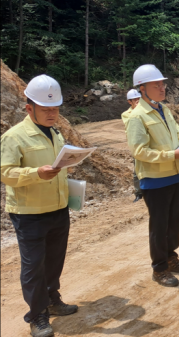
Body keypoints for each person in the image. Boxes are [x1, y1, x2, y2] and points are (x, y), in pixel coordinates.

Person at [0, 75, 78, 337]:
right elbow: (5, 173)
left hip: (58, 207)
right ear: (29, 108)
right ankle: (37, 316)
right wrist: (35, 174)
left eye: (55, 108)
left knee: (54, 260)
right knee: (34, 266)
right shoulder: (14, 137)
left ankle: (52, 299)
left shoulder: (55, 133)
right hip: (29, 213)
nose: (52, 114)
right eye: (46, 109)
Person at [125, 64, 179, 287]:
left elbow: (177, 133)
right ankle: (159, 268)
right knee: (159, 226)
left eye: (162, 84)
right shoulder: (137, 116)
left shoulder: (163, 110)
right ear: (142, 89)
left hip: (173, 175)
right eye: (156, 85)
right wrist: (171, 155)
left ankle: (171, 257)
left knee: (175, 221)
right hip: (154, 180)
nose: (162, 88)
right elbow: (139, 151)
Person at [122, 89, 143, 202]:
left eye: (139, 99)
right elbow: (132, 123)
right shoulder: (126, 114)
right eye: (135, 100)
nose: (137, 101)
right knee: (137, 171)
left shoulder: (146, 111)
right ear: (129, 102)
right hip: (136, 145)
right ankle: (139, 193)